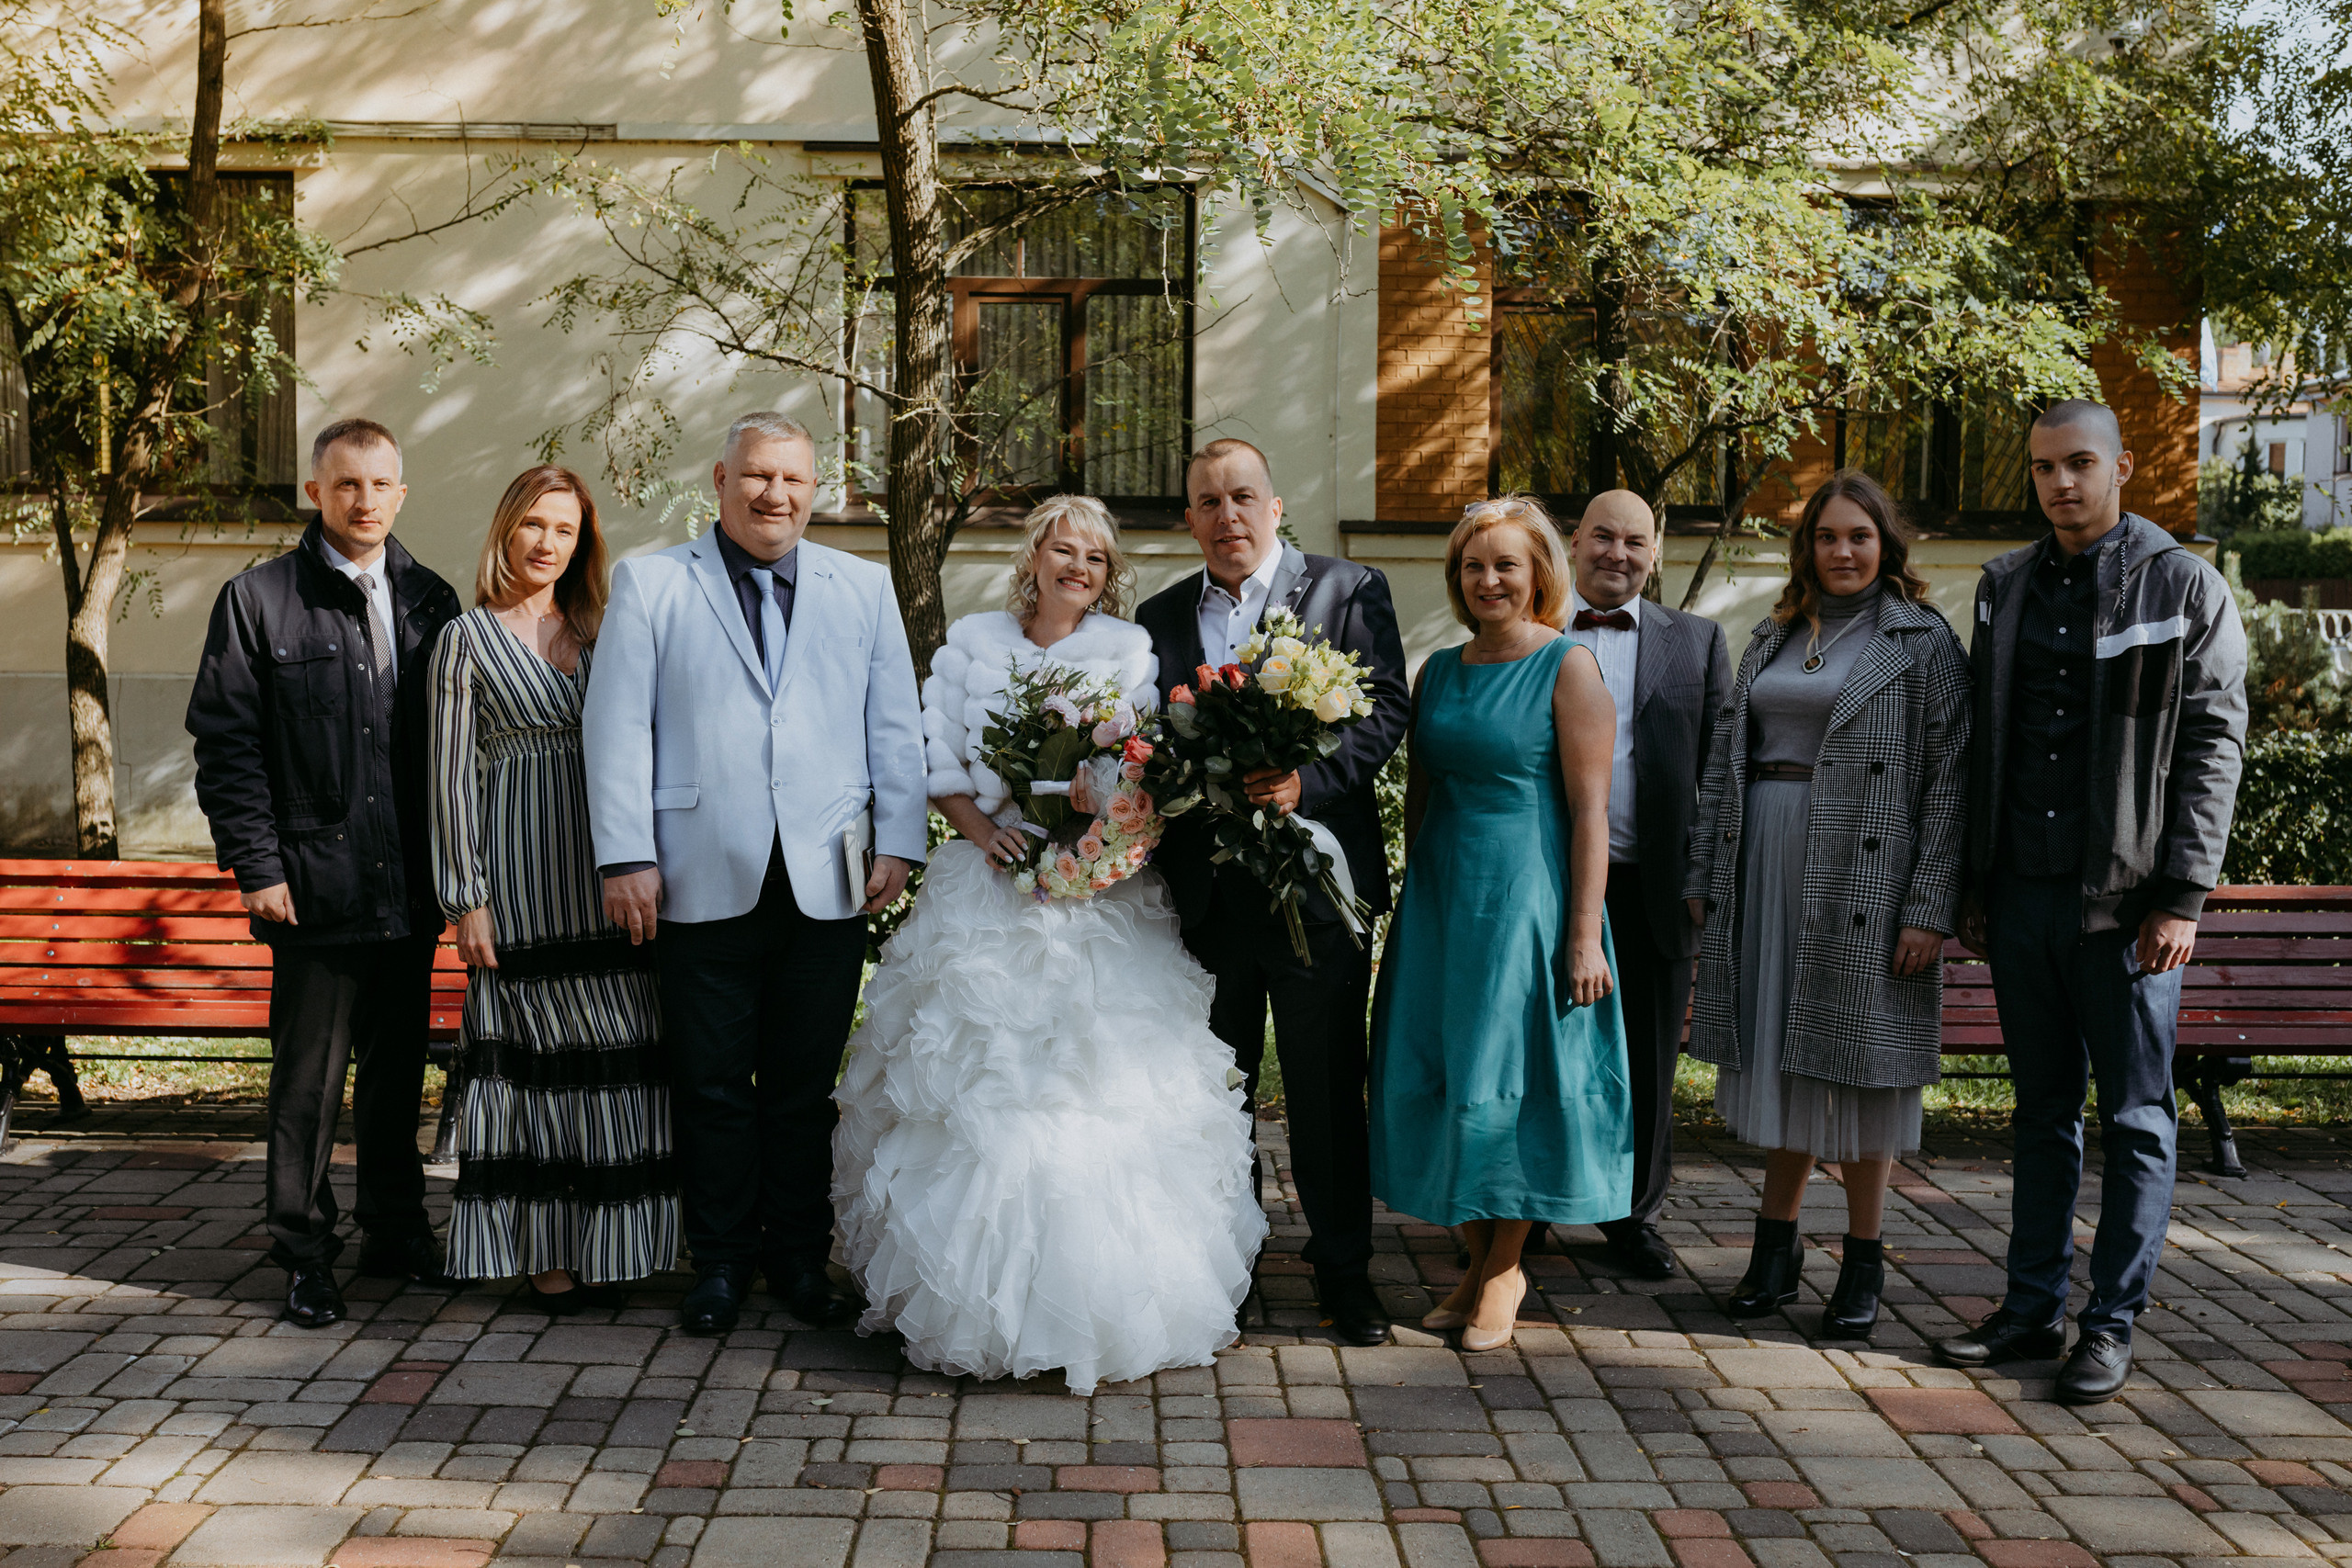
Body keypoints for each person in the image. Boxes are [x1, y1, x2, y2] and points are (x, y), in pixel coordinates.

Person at [832, 496, 1266, 1393]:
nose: (1078, 567)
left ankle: (1108, 1296)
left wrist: (1095, 814)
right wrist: (980, 829)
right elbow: (936, 755)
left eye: (1096, 558)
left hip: (1092, 890)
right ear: (1033, 557)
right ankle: (962, 1299)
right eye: (1063, 550)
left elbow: (1138, 765)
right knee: (976, 1083)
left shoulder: (1125, 651)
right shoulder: (972, 644)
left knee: (1096, 1086)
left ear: (1109, 575)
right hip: (986, 878)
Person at [582, 411, 927, 1336]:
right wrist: (626, 856)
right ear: (721, 479)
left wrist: (898, 838)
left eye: (794, 482)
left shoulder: (861, 588)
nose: (774, 495)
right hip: (697, 875)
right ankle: (722, 1264)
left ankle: (798, 1263)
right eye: (757, 477)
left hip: (830, 877)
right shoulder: (653, 584)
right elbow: (617, 730)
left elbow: (893, 722)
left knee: (804, 1088)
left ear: (813, 492)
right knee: (710, 1086)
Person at [1934, 400, 2247, 1404]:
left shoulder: (2181, 585)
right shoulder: (2003, 586)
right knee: (2038, 1114)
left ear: (2118, 467)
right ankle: (2029, 1311)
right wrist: (1975, 887)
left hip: (2127, 912)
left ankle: (2108, 1324)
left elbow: (2211, 751)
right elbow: (1985, 745)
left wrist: (2181, 896)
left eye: (2077, 464)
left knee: (2138, 1121)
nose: (2059, 484)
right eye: (2041, 468)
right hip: (2022, 897)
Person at [187, 417, 465, 1328]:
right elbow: (226, 745)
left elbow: (454, 751)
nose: (364, 501)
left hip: (407, 888)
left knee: (395, 1076)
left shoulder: (431, 598)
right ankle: (304, 1251)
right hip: (311, 888)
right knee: (308, 1086)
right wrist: (257, 865)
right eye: (345, 485)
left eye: (380, 485)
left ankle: (394, 1227)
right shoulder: (260, 599)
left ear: (400, 493)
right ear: (316, 491)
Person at [1135, 438, 1410, 1346]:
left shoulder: (1345, 590)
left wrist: (1306, 782)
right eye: (1207, 503)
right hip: (1209, 899)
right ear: (1189, 520)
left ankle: (1344, 1275)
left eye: (1242, 497)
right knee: (1218, 1092)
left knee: (1328, 1091)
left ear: (1276, 505)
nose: (1227, 517)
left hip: (1316, 890)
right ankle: (1225, 1263)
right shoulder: (1160, 615)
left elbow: (1384, 712)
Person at [1683, 470, 1970, 1341]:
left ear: (1887, 546)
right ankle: (1775, 1248)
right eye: (1826, 537)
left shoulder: (1922, 643)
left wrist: (1928, 906)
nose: (1842, 552)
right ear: (1806, 547)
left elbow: (1950, 785)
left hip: (1865, 876)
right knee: (1781, 1049)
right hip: (1765, 855)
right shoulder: (1771, 637)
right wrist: (1704, 876)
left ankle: (1863, 1259)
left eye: (1860, 537)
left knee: (1859, 1067)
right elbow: (1721, 766)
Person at [1370, 495, 1631, 1351]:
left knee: (1511, 1072)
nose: (1490, 579)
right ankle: (1477, 1264)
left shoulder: (1569, 667)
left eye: (1506, 564)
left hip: (1530, 892)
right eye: (1475, 565)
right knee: (1450, 1066)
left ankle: (1508, 1268)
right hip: (1447, 894)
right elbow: (1419, 796)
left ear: (1539, 575)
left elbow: (1592, 812)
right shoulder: (1438, 671)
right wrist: (1415, 904)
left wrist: (1584, 932)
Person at [428, 466, 680, 1311]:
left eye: (564, 530)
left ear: (584, 542)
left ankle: (621, 1246)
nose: (546, 543)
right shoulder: (465, 638)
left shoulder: (608, 630)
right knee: (536, 1073)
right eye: (533, 524)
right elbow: (450, 777)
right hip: (522, 884)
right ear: (507, 529)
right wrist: (466, 897)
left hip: (610, 878)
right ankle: (548, 1254)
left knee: (619, 1060)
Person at [1566, 491, 1732, 1281]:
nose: (1618, 554)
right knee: (1554, 1049)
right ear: (1574, 542)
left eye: (1636, 542)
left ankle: (1633, 1215)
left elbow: (1720, 775)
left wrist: (1705, 877)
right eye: (1603, 536)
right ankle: (1536, 1203)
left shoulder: (1697, 643)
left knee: (1646, 1057)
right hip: (1553, 883)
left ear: (1656, 553)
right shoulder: (1531, 632)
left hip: (1659, 884)